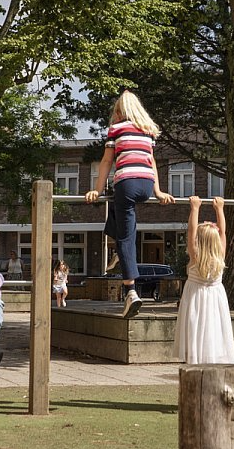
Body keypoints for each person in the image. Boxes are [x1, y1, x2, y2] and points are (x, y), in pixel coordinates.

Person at [85, 91, 175, 318]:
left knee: (127, 238)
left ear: (119, 111)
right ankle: (117, 253)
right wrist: (158, 191)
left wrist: (97, 189)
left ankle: (131, 291)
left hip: (126, 183)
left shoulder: (116, 129)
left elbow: (107, 161)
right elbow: (151, 162)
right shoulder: (147, 131)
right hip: (145, 186)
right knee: (119, 209)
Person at [174, 196, 234, 364]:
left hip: (196, 296)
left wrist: (195, 208)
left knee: (196, 326)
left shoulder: (195, 256)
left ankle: (195, 358)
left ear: (198, 241)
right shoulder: (220, 255)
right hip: (215, 297)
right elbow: (223, 232)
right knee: (213, 327)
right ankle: (214, 357)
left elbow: (190, 231)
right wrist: (220, 209)